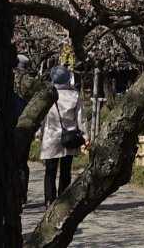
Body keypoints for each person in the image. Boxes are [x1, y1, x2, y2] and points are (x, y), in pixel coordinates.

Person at [40, 66, 85, 206]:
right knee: (66, 170)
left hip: (51, 135)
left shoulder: (47, 94)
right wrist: (85, 135)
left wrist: (40, 134)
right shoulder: (74, 95)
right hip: (69, 136)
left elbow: (42, 118)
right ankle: (63, 200)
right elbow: (81, 118)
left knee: (50, 170)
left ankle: (49, 200)